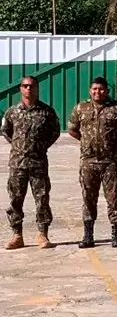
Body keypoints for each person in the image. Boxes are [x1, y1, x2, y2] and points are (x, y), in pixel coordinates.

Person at [68, 77, 117, 249]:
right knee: (88, 198)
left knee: (113, 198)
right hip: (89, 162)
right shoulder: (80, 108)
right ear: (90, 91)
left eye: (101, 89)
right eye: (94, 89)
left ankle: (116, 234)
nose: (98, 92)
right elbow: (72, 130)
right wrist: (86, 143)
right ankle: (88, 235)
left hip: (110, 162)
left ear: (107, 91)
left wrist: (116, 142)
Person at [3, 77, 60, 250]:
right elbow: (6, 132)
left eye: (32, 86)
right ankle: (17, 235)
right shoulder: (12, 112)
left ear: (37, 88)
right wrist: (19, 147)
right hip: (17, 164)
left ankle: (42, 234)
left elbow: (55, 132)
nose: (28, 89)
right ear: (20, 89)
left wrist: (41, 147)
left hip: (38, 163)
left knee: (42, 199)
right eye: (25, 86)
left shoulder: (46, 112)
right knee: (15, 200)